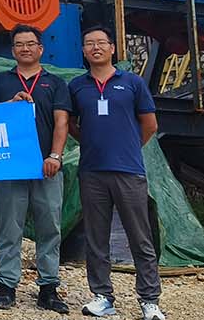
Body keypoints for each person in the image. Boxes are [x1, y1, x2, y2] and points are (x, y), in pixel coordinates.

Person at [68, 26, 164, 320]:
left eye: (101, 43)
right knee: (96, 238)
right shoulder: (77, 86)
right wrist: (91, 143)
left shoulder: (132, 83)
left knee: (140, 237)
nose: (95, 47)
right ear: (83, 51)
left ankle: (149, 300)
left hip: (128, 171)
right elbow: (70, 124)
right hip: (92, 172)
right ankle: (102, 296)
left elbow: (150, 124)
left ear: (112, 48)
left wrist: (128, 147)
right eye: (89, 43)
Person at [0, 25, 71, 313]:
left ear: (40, 49)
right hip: (11, 166)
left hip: (45, 166)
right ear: (13, 50)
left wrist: (55, 155)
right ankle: (6, 286)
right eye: (19, 44)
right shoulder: (1, 81)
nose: (25, 49)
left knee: (49, 227)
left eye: (30, 44)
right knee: (9, 227)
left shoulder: (55, 83)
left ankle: (48, 288)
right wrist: (9, 104)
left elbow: (61, 122)